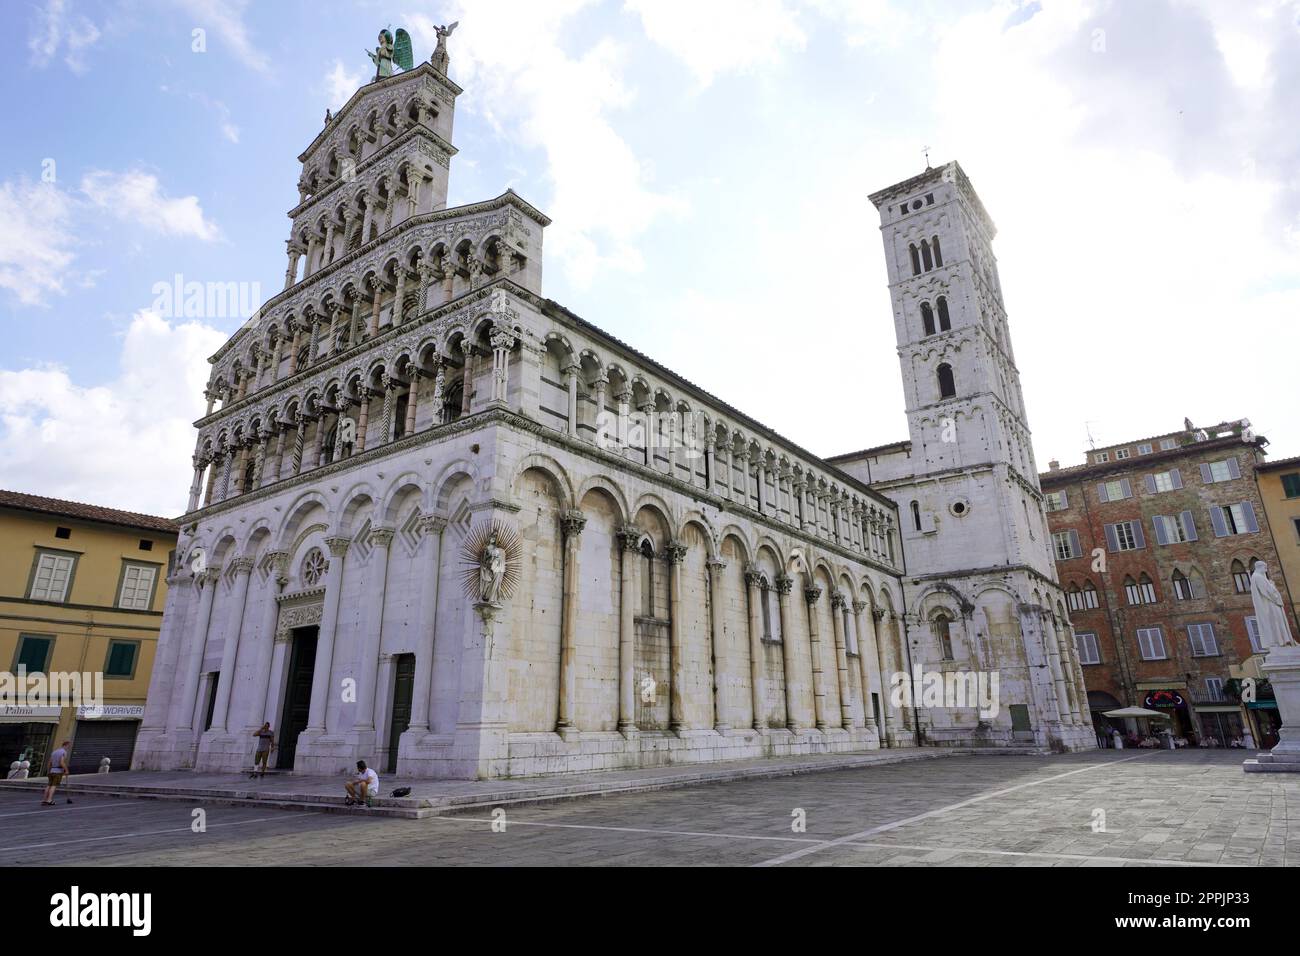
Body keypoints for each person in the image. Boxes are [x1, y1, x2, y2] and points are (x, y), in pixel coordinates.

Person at [42, 740, 71, 806]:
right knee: (53, 786)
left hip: (52, 770)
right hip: (58, 771)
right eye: (68, 746)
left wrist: (48, 771)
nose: (69, 748)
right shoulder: (63, 752)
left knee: (49, 785)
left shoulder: (54, 752)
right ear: (66, 745)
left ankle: (44, 800)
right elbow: (61, 762)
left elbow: (49, 763)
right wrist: (66, 770)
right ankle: (49, 800)